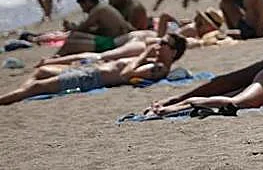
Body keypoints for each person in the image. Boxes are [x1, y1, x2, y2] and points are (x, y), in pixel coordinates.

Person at [0, 34, 186, 106]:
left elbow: (126, 74)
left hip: (90, 78)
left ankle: (14, 96)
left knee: (37, 87)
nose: (159, 45)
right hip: (90, 71)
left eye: (164, 43)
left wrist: (144, 54)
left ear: (173, 52)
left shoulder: (158, 67)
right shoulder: (153, 61)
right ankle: (20, 92)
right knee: (42, 71)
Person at [51, 0, 135, 55]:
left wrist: (70, 27)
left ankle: (55, 58)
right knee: (74, 35)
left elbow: (82, 28)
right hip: (113, 39)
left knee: (70, 43)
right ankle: (56, 56)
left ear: (88, 2)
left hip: (112, 43)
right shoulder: (102, 6)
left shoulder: (98, 10)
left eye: (82, 6)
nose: (83, 10)